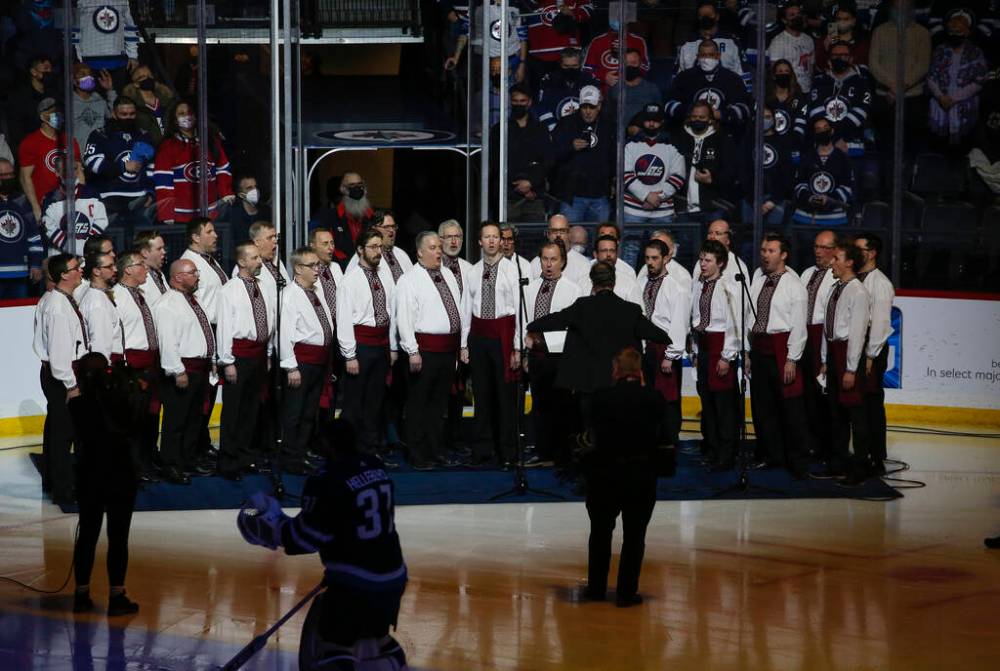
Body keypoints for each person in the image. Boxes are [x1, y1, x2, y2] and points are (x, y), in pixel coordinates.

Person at [237, 419, 408, 670]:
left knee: (334, 649)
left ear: (328, 444)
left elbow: (305, 537)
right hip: (393, 577)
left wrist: (273, 528)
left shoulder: (325, 479)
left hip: (355, 583)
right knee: (377, 641)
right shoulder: (376, 467)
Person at [581, 347, 668, 607]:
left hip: (605, 476)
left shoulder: (600, 398)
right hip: (640, 476)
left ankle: (596, 589)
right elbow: (664, 439)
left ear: (615, 371)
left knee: (599, 533)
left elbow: (588, 437)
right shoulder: (654, 399)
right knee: (634, 536)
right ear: (640, 373)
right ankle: (626, 593)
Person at [527, 261, 669, 403]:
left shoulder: (582, 307)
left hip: (589, 384)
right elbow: (658, 335)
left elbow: (556, 320)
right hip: (619, 384)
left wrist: (531, 326)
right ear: (614, 282)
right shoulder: (630, 310)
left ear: (592, 283)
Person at [68, 352, 140, 617]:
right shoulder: (121, 401)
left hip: (90, 475)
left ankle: (81, 593)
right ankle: (117, 595)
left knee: (87, 534)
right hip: (120, 474)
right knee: (118, 537)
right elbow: (135, 425)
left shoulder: (76, 406)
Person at [394, 231, 470, 470]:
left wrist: (460, 347)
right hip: (424, 350)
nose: (439, 251)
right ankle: (418, 455)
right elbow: (404, 318)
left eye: (440, 247)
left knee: (439, 405)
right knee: (419, 403)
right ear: (419, 252)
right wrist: (412, 350)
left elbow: (458, 312)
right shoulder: (409, 280)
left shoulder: (447, 274)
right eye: (433, 247)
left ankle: (434, 450)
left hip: (448, 350)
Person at [745, 233, 810, 478]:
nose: (765, 254)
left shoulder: (794, 285)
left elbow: (798, 327)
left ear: (783, 255)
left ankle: (798, 460)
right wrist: (748, 352)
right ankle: (771, 455)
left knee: (791, 409)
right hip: (759, 347)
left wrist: (792, 358)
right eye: (763, 250)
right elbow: (751, 318)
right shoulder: (758, 280)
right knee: (763, 407)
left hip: (782, 348)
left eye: (771, 250)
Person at [216, 242, 276, 480]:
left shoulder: (264, 287)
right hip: (239, 355)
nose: (259, 261)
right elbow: (224, 328)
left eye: (258, 257)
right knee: (233, 410)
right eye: (253, 258)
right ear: (242, 262)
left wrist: (269, 352)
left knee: (251, 408)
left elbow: (268, 319)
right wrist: (227, 361)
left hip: (259, 354)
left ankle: (244, 455)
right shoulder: (229, 290)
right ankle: (228, 461)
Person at [154, 258, 216, 485]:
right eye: (193, 272)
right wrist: (177, 371)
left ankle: (187, 459)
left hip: (199, 369)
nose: (197, 276)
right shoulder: (167, 304)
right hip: (183, 370)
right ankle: (171, 464)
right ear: (178, 276)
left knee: (193, 420)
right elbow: (168, 342)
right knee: (176, 421)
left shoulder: (191, 300)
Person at [521, 240, 582, 467]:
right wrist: (525, 352)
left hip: (561, 357)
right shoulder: (530, 287)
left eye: (553, 259)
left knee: (563, 407)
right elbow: (525, 323)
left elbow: (574, 329)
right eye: (545, 259)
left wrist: (544, 341)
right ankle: (543, 451)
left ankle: (562, 453)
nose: (548, 264)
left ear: (563, 261)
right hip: (536, 358)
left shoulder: (573, 290)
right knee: (539, 405)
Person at [337, 229, 397, 459]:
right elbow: (343, 321)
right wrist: (350, 355)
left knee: (375, 400)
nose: (377, 251)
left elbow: (391, 311)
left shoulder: (386, 274)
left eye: (379, 247)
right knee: (354, 403)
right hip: (360, 345)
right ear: (360, 250)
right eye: (372, 247)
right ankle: (350, 451)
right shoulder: (350, 281)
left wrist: (391, 346)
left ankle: (371, 448)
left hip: (380, 343)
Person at [35, 253, 88, 504]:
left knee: (58, 431)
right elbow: (59, 354)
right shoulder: (57, 306)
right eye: (76, 268)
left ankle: (55, 481)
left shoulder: (55, 299)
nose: (81, 271)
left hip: (59, 374)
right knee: (63, 434)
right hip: (63, 376)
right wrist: (72, 385)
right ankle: (63, 488)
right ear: (64, 275)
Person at [467, 223, 520, 467]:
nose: (491, 241)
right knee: (482, 393)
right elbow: (466, 307)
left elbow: (518, 310)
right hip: (479, 336)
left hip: (502, 335)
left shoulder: (511, 269)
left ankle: (507, 450)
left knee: (504, 394)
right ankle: (482, 448)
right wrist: (463, 344)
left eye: (495, 237)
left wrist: (517, 347)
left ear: (501, 241)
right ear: (479, 242)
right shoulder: (473, 271)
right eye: (486, 237)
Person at [279, 247, 336, 475]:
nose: (317, 269)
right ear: (298, 268)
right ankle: (289, 458)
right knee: (294, 413)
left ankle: (300, 455)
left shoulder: (316, 290)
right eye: (312, 266)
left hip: (319, 361)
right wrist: (291, 366)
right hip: (302, 362)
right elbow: (285, 334)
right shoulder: (290, 295)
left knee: (309, 412)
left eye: (318, 265)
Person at [822, 237, 872, 486]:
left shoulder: (858, 292)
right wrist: (825, 358)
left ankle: (860, 466)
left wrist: (851, 368)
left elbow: (857, 332)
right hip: (834, 352)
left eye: (837, 258)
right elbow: (828, 327)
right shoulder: (835, 288)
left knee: (855, 415)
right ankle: (838, 462)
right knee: (836, 414)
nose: (831, 263)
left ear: (850, 262)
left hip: (847, 355)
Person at [112, 251, 161, 482]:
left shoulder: (139, 294)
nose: (146, 268)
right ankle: (133, 467)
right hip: (133, 365)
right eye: (141, 264)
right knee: (132, 421)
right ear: (128, 269)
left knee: (147, 418)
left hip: (149, 362)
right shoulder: (118, 297)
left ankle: (146, 460)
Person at [691, 239, 740, 470]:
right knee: (707, 402)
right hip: (704, 346)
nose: (702, 264)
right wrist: (696, 349)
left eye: (708, 260)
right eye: (701, 259)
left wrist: (726, 356)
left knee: (723, 405)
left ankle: (726, 453)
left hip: (720, 346)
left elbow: (734, 323)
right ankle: (711, 448)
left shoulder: (729, 287)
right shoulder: (699, 284)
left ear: (720, 263)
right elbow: (697, 319)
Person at [638, 240, 690, 447]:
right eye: (647, 258)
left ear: (666, 258)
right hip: (646, 348)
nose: (650, 262)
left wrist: (670, 355)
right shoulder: (642, 283)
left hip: (665, 349)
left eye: (655, 258)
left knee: (668, 399)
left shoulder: (676, 288)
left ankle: (669, 442)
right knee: (648, 398)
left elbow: (679, 323)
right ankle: (652, 439)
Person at [83, 96, 156, 240]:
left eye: (132, 114)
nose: (128, 118)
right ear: (114, 114)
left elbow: (151, 167)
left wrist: (150, 192)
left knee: (143, 240)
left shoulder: (144, 135)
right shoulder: (100, 135)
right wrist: (122, 166)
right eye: (124, 114)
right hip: (109, 200)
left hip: (139, 199)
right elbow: (91, 162)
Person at [154, 101, 234, 224]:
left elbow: (223, 168)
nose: (187, 116)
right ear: (175, 120)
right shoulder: (168, 146)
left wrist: (225, 193)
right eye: (181, 114)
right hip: (180, 216)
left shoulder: (211, 141)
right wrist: (166, 213)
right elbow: (164, 182)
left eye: (189, 112)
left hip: (210, 214)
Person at [855, 233, 894, 476]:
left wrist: (870, 355)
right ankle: (863, 452)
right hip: (858, 346)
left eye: (859, 249)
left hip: (872, 348)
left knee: (871, 403)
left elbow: (879, 324)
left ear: (872, 253)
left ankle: (877, 456)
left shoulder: (880, 283)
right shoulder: (857, 279)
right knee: (860, 403)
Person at [800, 230, 838, 471]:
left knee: (823, 395)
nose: (818, 251)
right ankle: (809, 441)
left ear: (835, 249)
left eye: (824, 247)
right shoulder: (806, 273)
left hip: (822, 337)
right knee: (806, 394)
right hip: (805, 336)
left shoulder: (836, 277)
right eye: (816, 246)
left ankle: (827, 445)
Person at [869, 0, 931, 147]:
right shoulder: (879, 31)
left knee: (911, 144)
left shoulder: (922, 33)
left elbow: (922, 66)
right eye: (897, 7)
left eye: (905, 7)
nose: (901, 10)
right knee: (884, 144)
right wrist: (892, 85)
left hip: (912, 98)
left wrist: (898, 88)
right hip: (885, 97)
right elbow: (873, 64)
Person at [550, 85, 614, 223]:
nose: (588, 112)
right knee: (572, 238)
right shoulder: (566, 124)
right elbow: (552, 155)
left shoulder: (608, 125)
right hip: (572, 196)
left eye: (592, 107)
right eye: (584, 107)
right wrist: (570, 147)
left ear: (599, 106)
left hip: (600, 195)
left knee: (600, 240)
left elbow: (614, 157)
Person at [489, 84, 552, 224]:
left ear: (529, 102)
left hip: (534, 196)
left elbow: (547, 161)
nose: (518, 105)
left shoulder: (540, 129)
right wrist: (519, 186)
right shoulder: (499, 130)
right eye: (515, 101)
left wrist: (531, 183)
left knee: (533, 238)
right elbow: (495, 162)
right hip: (508, 196)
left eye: (522, 101)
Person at [927, 9, 987, 152]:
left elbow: (979, 81)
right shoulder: (940, 50)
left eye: (959, 30)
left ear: (967, 31)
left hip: (964, 107)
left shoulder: (975, 52)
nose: (954, 34)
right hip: (940, 104)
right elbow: (931, 77)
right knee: (938, 149)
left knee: (962, 150)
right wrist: (941, 97)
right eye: (951, 30)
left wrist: (954, 98)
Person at [664, 40, 752, 135]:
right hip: (689, 133)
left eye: (710, 55)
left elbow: (745, 108)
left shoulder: (733, 79)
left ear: (718, 56)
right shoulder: (684, 78)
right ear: (697, 57)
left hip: (724, 134)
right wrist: (690, 112)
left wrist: (721, 114)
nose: (706, 59)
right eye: (703, 55)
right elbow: (669, 105)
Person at [806, 40, 873, 159]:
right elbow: (815, 111)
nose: (839, 58)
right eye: (835, 55)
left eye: (844, 55)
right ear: (829, 59)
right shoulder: (819, 81)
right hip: (822, 139)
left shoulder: (862, 83)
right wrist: (834, 139)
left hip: (851, 139)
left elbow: (861, 112)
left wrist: (839, 137)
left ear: (851, 59)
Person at [18, 98, 82, 222]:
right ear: (43, 116)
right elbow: (25, 178)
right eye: (53, 112)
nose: (58, 115)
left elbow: (79, 170)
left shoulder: (70, 140)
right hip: (44, 204)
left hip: (69, 202)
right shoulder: (30, 142)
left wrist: (81, 200)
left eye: (59, 112)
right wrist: (36, 207)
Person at [673, 102, 738, 223]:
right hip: (683, 207)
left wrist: (712, 180)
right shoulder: (679, 138)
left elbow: (731, 172)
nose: (697, 120)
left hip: (713, 207)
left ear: (710, 119)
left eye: (702, 117)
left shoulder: (722, 139)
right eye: (694, 117)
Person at [623, 105, 687, 224]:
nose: (651, 124)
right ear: (642, 121)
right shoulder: (630, 144)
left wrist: (657, 198)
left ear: (662, 121)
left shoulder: (674, 145)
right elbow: (626, 175)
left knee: (663, 242)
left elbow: (678, 176)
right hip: (633, 211)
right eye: (648, 120)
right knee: (631, 243)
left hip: (663, 211)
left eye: (655, 120)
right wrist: (647, 196)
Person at [793, 116, 855, 227]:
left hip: (835, 220)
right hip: (805, 219)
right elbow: (799, 184)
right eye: (818, 129)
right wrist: (809, 198)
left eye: (825, 128)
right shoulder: (807, 157)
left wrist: (830, 199)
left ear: (831, 131)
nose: (822, 131)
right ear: (814, 133)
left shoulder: (843, 158)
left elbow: (847, 187)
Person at [740, 105, 795, 228]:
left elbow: (787, 175)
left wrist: (773, 201)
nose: (764, 120)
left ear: (774, 120)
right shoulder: (748, 142)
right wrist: (753, 200)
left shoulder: (782, 143)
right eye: (761, 117)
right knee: (748, 239)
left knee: (773, 238)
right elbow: (743, 171)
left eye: (768, 117)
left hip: (776, 199)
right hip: (750, 200)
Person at [40, 159, 109, 257]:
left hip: (88, 256)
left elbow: (102, 221)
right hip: (60, 259)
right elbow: (48, 228)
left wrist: (87, 246)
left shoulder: (92, 194)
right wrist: (79, 248)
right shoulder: (50, 199)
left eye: (74, 169)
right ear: (57, 172)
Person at [523, 0, 592, 91]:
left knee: (568, 94)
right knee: (541, 94)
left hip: (568, 56)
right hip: (538, 55)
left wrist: (574, 13)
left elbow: (589, 9)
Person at [0, 158, 44, 298]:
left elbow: (34, 236)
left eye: (11, 174)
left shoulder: (22, 200)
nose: (9, 178)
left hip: (20, 273)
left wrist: (36, 264)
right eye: (4, 175)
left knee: (17, 317)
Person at [675, 0, 749, 82]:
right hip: (694, 91)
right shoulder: (687, 44)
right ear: (698, 17)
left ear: (717, 17)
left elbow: (743, 75)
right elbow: (677, 78)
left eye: (709, 15)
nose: (706, 18)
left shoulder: (731, 42)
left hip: (725, 91)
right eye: (702, 15)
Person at [313, 173, 374, 268]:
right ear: (343, 189)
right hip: (341, 268)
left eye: (360, 185)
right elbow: (329, 248)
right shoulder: (331, 217)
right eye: (352, 185)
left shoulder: (372, 216)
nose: (357, 189)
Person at [536, 48, 601, 133]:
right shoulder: (549, 80)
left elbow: (596, 107)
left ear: (580, 64)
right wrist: (553, 129)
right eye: (566, 66)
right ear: (560, 64)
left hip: (584, 129)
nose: (570, 69)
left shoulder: (589, 80)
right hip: (555, 128)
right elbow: (542, 108)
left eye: (574, 66)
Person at [180, 217, 229, 325]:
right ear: (196, 237)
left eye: (214, 231)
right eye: (209, 232)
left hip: (221, 325)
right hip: (207, 327)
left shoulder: (209, 259)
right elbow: (189, 305)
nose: (215, 235)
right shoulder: (188, 264)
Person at [5, 56, 61, 150]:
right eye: (46, 68)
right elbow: (16, 130)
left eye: (50, 68)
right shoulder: (20, 97)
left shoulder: (54, 94)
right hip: (31, 148)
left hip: (52, 145)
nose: (49, 71)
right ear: (33, 72)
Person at [583, 18, 651, 94]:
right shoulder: (597, 41)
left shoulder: (638, 41)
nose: (618, 19)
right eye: (615, 15)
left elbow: (645, 67)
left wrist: (629, 74)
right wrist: (603, 77)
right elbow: (587, 69)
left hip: (632, 92)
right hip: (604, 93)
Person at [605, 49, 663, 137]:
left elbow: (660, 117)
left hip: (645, 140)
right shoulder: (614, 89)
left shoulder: (652, 89)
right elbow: (607, 119)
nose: (629, 66)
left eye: (633, 63)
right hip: (619, 140)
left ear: (640, 64)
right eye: (626, 63)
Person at [78, 251, 122, 362]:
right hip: (107, 364)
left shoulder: (99, 296)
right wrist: (105, 372)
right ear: (96, 271)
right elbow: (99, 344)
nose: (115, 270)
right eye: (110, 267)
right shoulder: (97, 302)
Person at [767, 1, 816, 93]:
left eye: (799, 14)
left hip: (808, 90)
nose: (797, 17)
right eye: (792, 15)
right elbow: (776, 72)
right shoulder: (778, 42)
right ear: (784, 20)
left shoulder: (809, 39)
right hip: (790, 92)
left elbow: (811, 67)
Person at [120, 65, 177, 145]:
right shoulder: (132, 106)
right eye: (143, 77)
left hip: (169, 147)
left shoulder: (167, 100)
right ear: (136, 84)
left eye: (150, 75)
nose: (148, 78)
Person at [578, 235, 642, 306]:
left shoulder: (630, 284)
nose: (608, 254)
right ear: (595, 254)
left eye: (612, 251)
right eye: (604, 251)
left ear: (617, 254)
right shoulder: (583, 282)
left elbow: (639, 313)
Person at [529, 214, 591, 284]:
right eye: (554, 231)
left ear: (569, 234)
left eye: (562, 231)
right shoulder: (535, 264)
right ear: (548, 234)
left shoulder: (583, 264)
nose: (558, 235)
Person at [69, 63, 115, 153]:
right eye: (82, 74)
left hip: (100, 152)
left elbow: (113, 115)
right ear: (74, 81)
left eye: (89, 74)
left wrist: (110, 90)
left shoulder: (99, 100)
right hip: (78, 154)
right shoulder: (69, 103)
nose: (88, 77)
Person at [234, 221, 289, 297]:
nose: (275, 241)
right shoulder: (245, 267)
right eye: (270, 238)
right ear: (257, 242)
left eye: (275, 237)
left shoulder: (276, 260)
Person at [814, 3, 871, 70]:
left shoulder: (863, 42)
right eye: (839, 19)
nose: (842, 22)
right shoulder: (827, 40)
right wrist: (825, 49)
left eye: (846, 19)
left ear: (853, 21)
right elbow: (820, 66)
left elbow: (863, 66)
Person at [767, 58, 808, 150]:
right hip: (769, 145)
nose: (783, 74)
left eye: (786, 71)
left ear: (791, 75)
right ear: (774, 75)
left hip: (791, 146)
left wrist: (793, 144)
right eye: (780, 71)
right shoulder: (766, 98)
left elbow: (800, 125)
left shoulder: (798, 98)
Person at [692, 219, 749, 285]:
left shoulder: (737, 266)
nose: (712, 237)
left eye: (718, 233)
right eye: (710, 233)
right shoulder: (701, 261)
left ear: (728, 240)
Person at [228, 174, 272, 244]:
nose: (254, 191)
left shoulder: (267, 212)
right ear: (241, 194)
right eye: (249, 188)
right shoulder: (232, 215)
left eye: (255, 187)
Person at [438, 219, 473, 295]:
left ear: (462, 240)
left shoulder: (470, 269)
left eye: (457, 237)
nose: (454, 241)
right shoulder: (431, 267)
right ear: (440, 241)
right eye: (449, 237)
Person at [135, 229, 168, 304]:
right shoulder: (140, 281)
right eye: (159, 249)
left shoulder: (158, 273)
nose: (164, 252)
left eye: (163, 248)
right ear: (145, 253)